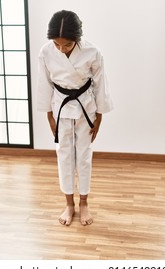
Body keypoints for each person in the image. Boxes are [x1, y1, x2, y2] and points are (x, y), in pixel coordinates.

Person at [37, 10, 113, 226]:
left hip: (85, 107)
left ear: (77, 39)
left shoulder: (92, 52)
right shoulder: (45, 52)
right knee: (64, 155)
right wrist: (49, 115)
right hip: (60, 106)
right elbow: (44, 85)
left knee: (84, 155)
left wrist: (99, 116)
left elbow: (100, 85)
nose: (61, 49)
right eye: (57, 45)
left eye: (67, 45)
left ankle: (84, 203)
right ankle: (69, 204)